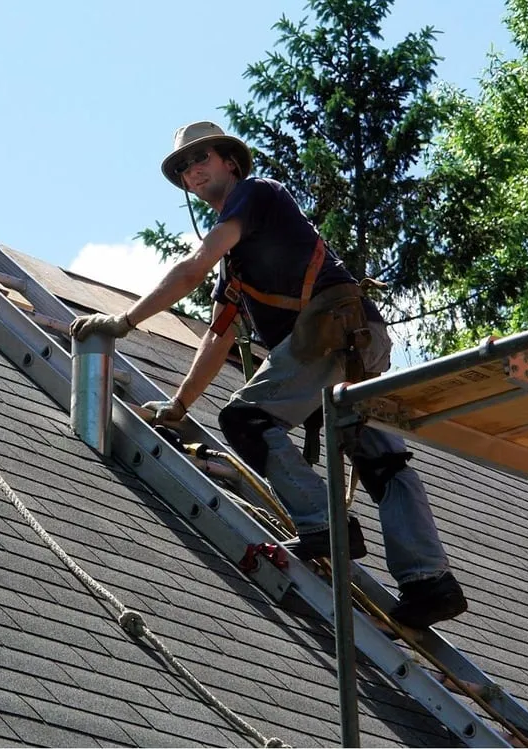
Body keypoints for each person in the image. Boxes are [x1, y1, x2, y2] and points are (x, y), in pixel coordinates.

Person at [70, 121, 467, 630]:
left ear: (230, 163)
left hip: (335, 331)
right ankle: (430, 583)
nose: (192, 171)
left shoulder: (256, 195)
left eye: (201, 159)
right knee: (381, 460)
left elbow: (193, 265)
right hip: (351, 340)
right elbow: (216, 336)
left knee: (247, 419)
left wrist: (125, 322)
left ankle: (326, 525)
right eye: (184, 168)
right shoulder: (235, 265)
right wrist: (180, 406)